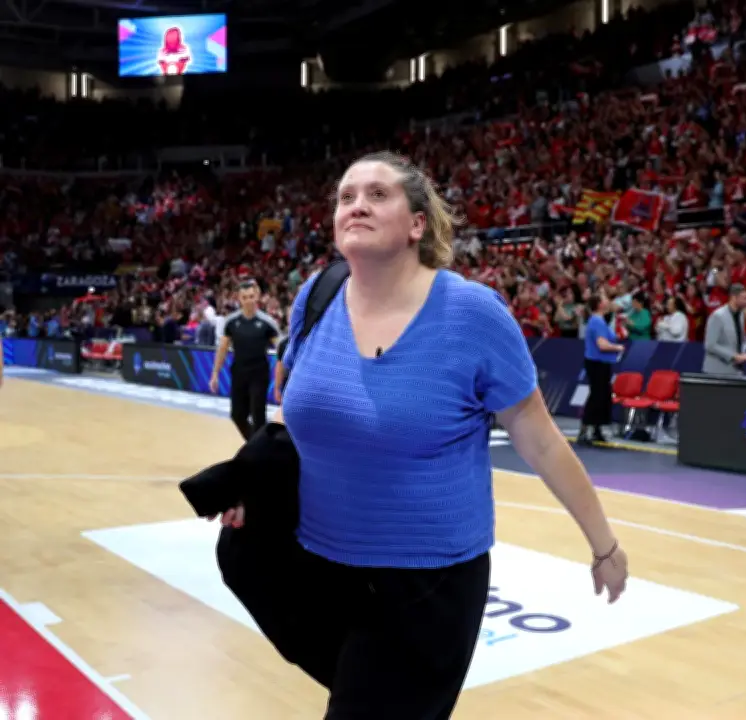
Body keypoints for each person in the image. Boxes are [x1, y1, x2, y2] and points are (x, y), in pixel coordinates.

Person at [209, 152, 628, 719]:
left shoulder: (473, 314)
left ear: (417, 224)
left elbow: (541, 438)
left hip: (426, 586)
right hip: (319, 566)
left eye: (378, 194)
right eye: (346, 196)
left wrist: (604, 546)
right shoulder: (319, 292)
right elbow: (295, 415)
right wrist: (253, 479)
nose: (357, 204)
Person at [210, 279, 280, 440]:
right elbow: (223, 348)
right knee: (237, 416)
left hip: (259, 374)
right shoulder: (231, 322)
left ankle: (258, 454)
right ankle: (254, 445)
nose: (249, 300)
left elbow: (281, 351)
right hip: (239, 374)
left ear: (257, 297)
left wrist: (280, 378)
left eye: (251, 296)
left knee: (258, 416)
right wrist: (215, 374)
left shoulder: (268, 322)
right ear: (239, 299)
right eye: (245, 297)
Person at [579, 293, 625, 445]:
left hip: (602, 363)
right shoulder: (597, 322)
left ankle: (597, 429)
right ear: (599, 304)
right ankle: (585, 430)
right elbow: (602, 345)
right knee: (597, 395)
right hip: (597, 363)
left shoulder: (600, 321)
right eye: (605, 299)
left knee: (602, 396)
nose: (608, 301)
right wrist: (618, 347)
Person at [702, 283, 746, 376]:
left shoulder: (741, 315)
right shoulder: (718, 316)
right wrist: (733, 356)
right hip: (716, 372)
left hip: (734, 371)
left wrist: (741, 354)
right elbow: (710, 345)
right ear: (733, 298)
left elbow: (737, 341)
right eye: (744, 298)